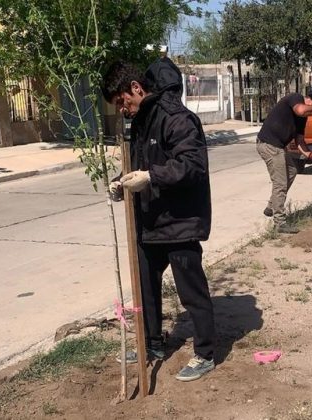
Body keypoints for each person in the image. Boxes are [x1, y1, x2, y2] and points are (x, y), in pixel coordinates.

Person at [102, 57, 216, 382]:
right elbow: (142, 164)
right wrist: (122, 182)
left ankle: (206, 353)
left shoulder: (176, 119)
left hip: (179, 222)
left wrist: (150, 177)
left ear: (136, 89)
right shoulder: (142, 121)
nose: (122, 110)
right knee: (144, 287)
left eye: (122, 102)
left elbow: (192, 166)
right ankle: (151, 343)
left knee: (191, 292)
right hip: (150, 222)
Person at [257, 90, 312, 233]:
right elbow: (301, 110)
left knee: (292, 170)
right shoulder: (296, 98)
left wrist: (310, 154)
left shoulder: (303, 118)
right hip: (269, 145)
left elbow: (299, 141)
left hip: (278, 147)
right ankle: (280, 222)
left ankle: (272, 206)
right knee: (280, 183)